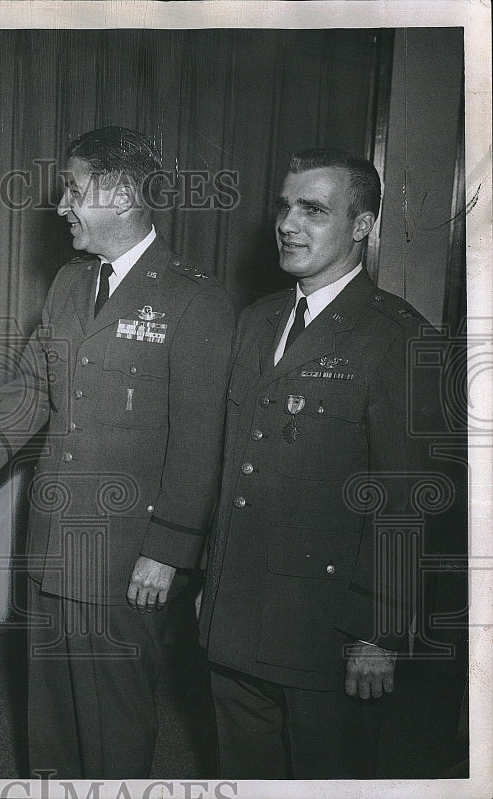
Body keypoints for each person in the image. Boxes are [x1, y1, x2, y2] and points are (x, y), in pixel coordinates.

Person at [0, 126, 236, 778]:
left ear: (120, 194)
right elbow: (32, 388)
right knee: (52, 722)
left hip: (126, 555)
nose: (61, 205)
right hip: (53, 544)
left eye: (73, 188)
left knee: (114, 719)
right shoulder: (68, 283)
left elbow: (201, 438)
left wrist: (168, 550)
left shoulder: (193, 297)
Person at [197, 148, 437, 778]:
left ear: (362, 226)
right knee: (242, 771)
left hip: (328, 628)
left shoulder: (398, 337)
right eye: (284, 205)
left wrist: (377, 632)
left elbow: (407, 499)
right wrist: (211, 584)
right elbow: (233, 469)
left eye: (313, 209)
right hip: (241, 611)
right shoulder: (256, 322)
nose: (288, 223)